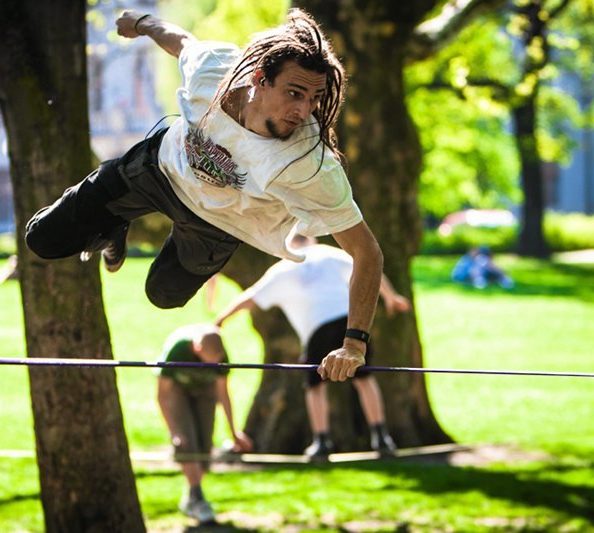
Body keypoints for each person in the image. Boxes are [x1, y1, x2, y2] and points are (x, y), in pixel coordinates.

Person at [24, 8, 384, 383]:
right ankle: (113, 224)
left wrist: (354, 344)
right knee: (43, 239)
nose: (303, 110)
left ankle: (117, 223)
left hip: (218, 223)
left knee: (163, 294)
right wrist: (142, 23)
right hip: (157, 171)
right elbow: (181, 41)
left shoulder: (310, 164)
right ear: (259, 79)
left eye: (314, 98)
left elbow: (366, 251)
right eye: (294, 93)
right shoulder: (216, 69)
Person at [214, 233, 408, 459]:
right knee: (364, 379)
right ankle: (381, 437)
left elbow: (249, 297)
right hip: (350, 325)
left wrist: (220, 320)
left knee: (315, 386)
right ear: (312, 240)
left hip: (318, 330)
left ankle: (322, 441)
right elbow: (369, 268)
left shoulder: (283, 268)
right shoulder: (329, 253)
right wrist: (391, 297)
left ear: (287, 245)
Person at [156, 324, 253, 524]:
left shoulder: (221, 356)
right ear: (196, 348)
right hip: (178, 391)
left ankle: (191, 497)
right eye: (208, 361)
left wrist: (233, 432)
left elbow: (223, 393)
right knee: (186, 443)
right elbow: (162, 395)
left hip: (205, 391)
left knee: (205, 448)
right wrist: (174, 431)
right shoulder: (177, 351)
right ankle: (198, 497)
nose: (213, 364)